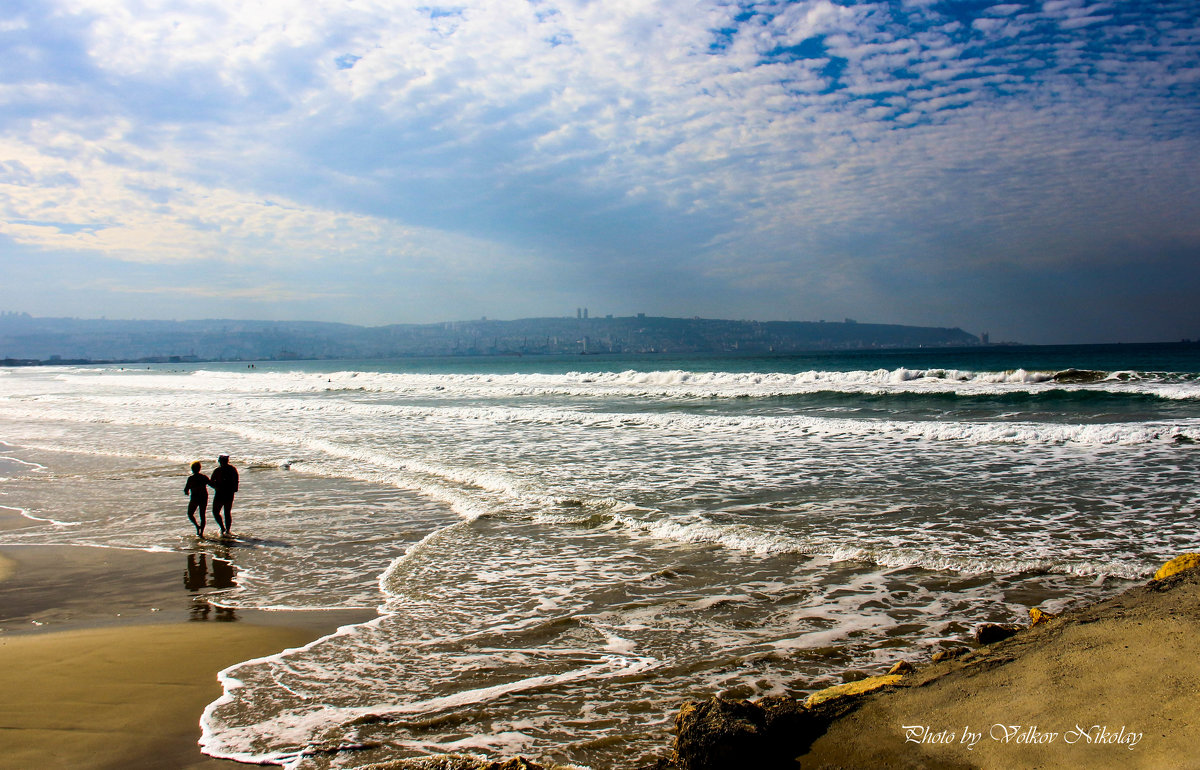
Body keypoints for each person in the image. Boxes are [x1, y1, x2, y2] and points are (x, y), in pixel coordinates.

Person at [208, 454, 239, 536]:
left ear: (220, 461)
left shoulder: (217, 470)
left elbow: (211, 482)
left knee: (215, 512)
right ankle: (227, 530)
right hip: (229, 493)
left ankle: (222, 528)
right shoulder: (232, 469)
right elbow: (236, 482)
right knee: (227, 512)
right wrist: (234, 489)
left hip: (220, 494)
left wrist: (216, 487)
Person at [184, 461, 209, 537]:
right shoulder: (204, 477)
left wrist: (187, 492)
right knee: (202, 515)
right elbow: (212, 484)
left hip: (195, 497)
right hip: (203, 497)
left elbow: (186, 489)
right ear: (199, 468)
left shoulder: (191, 478)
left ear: (192, 469)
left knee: (190, 514)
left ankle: (197, 527)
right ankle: (201, 532)